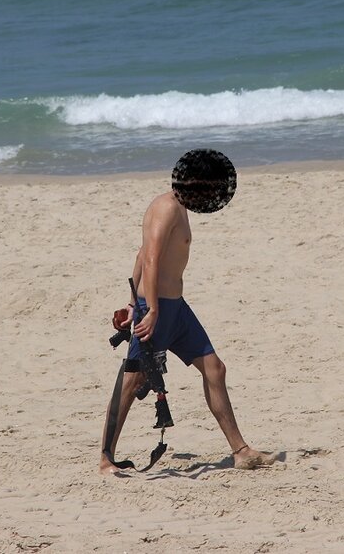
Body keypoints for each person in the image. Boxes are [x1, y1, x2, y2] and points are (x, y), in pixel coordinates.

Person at [99, 150, 273, 473]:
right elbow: (150, 259)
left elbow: (140, 255)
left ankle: (241, 451)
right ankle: (105, 460)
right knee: (132, 378)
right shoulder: (167, 207)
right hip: (159, 308)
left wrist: (129, 301)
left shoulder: (179, 207)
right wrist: (147, 309)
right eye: (211, 188)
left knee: (215, 369)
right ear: (198, 185)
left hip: (176, 309)